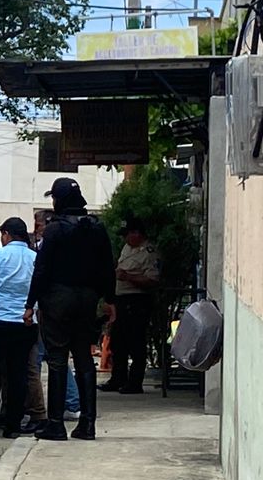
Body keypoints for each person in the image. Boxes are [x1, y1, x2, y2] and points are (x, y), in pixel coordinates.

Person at [25, 177, 116, 441]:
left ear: (59, 199)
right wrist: (109, 300)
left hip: (58, 299)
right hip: (87, 299)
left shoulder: (55, 230)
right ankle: (88, 424)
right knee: (85, 359)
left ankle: (55, 424)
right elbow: (107, 267)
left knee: (57, 360)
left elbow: (41, 270)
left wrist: (30, 304)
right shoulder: (97, 228)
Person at [0, 218, 39, 438]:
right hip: (25, 323)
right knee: (18, 374)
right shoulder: (36, 258)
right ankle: (13, 425)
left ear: (6, 234)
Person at [23, 209, 77, 431]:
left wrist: (30, 305)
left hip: (48, 309)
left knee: (42, 360)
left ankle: (54, 409)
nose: (37, 229)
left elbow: (40, 275)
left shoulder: (50, 245)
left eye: (39, 225)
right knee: (56, 358)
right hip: (51, 307)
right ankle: (72, 402)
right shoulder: (45, 245)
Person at [105, 217, 161, 394]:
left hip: (137, 301)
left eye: (128, 234)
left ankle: (135, 382)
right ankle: (118, 378)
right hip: (121, 299)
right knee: (118, 342)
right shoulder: (128, 248)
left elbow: (153, 279)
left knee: (136, 343)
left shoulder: (149, 252)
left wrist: (129, 277)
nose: (125, 239)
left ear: (137, 234)